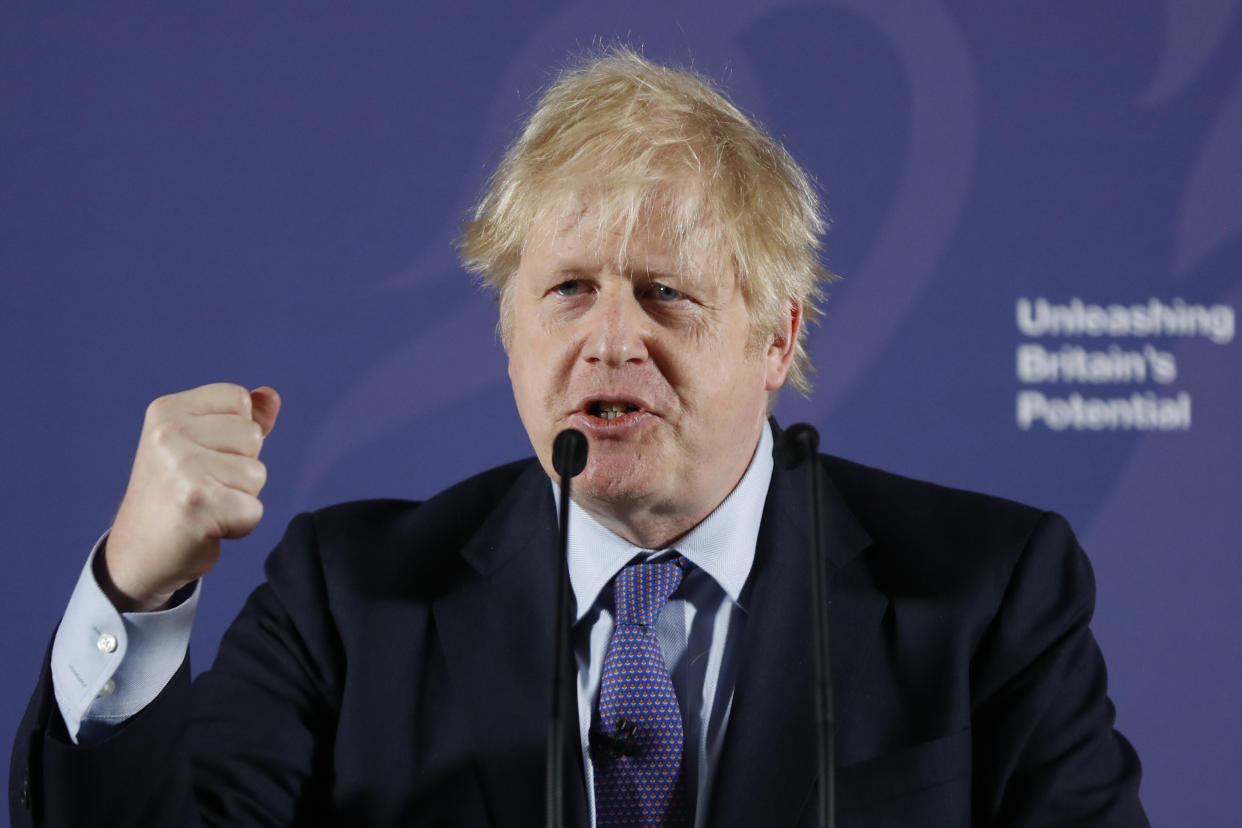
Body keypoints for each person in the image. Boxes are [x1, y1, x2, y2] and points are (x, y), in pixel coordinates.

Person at [11, 48, 1148, 827]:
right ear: (508, 330)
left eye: (664, 293)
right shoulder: (348, 599)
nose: (610, 341)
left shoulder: (992, 593)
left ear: (776, 335)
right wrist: (139, 590)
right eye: (566, 291)